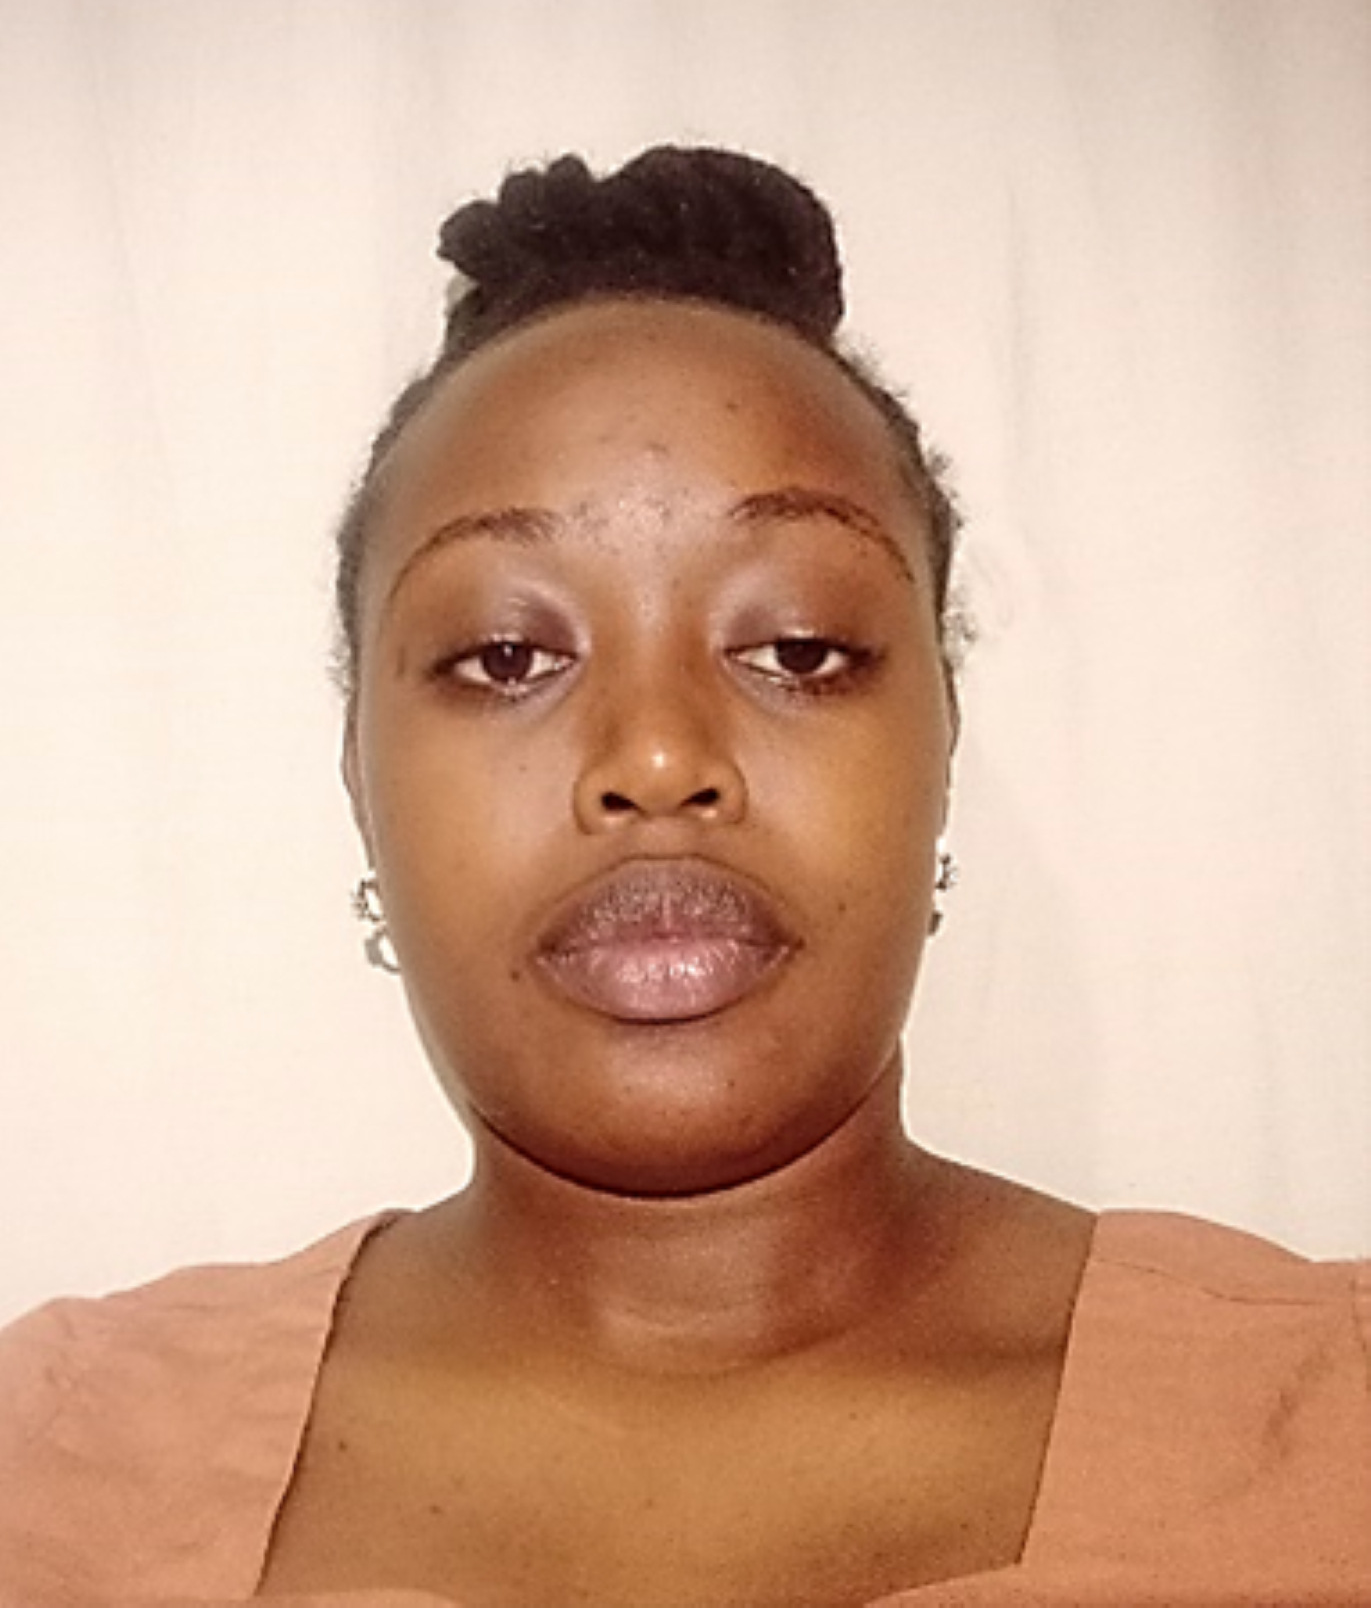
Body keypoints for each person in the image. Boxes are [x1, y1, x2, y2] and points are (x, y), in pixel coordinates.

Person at [0, 146, 1366, 1608]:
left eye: (797, 648)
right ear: (358, 778)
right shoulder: (54, 1455)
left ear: (941, 739)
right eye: (507, 657)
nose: (656, 759)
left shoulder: (1326, 1419)